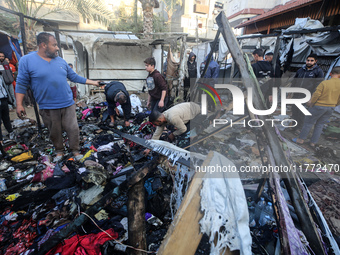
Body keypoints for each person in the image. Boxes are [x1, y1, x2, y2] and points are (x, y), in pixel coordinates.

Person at [16, 32, 101, 161]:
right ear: (43, 45)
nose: (57, 48)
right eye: (54, 45)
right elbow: (21, 84)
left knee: (73, 129)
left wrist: (94, 82)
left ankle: (75, 151)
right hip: (48, 106)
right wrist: (19, 104)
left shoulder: (60, 60)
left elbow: (74, 77)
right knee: (54, 132)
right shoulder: (27, 61)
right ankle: (59, 152)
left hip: (67, 103)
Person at [293, 66, 340, 147]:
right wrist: (335, 104)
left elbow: (316, 94)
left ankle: (301, 139)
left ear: (330, 74)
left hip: (319, 106)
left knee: (308, 123)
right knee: (320, 125)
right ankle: (313, 142)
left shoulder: (325, 83)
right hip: (331, 107)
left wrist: (311, 102)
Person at [290, 54, 324, 132]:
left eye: (311, 61)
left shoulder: (318, 72)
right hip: (296, 95)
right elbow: (294, 82)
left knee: (302, 113)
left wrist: (312, 98)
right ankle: (293, 127)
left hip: (306, 96)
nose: (309, 62)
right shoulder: (300, 70)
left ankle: (299, 129)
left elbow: (318, 86)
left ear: (315, 61)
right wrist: (290, 93)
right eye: (308, 60)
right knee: (294, 111)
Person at [0, 74, 13, 146]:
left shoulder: (1, 76)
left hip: (4, 99)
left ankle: (11, 133)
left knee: (6, 118)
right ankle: (0, 140)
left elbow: (4, 87)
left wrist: (9, 98)